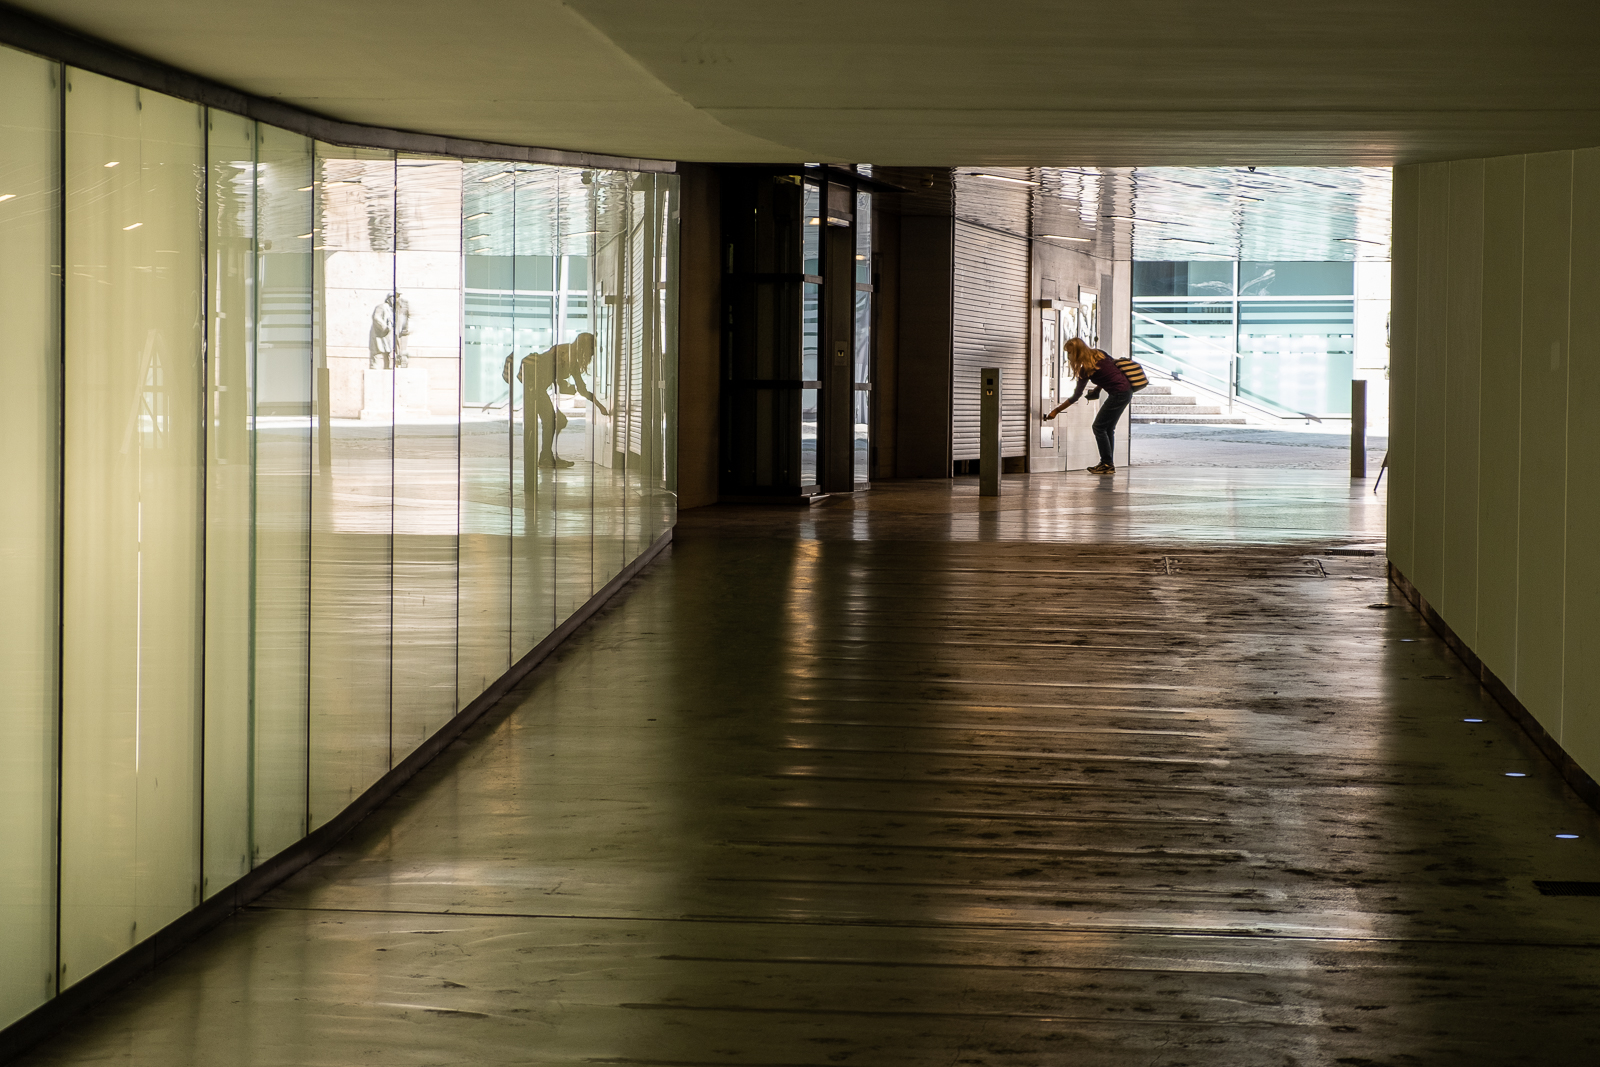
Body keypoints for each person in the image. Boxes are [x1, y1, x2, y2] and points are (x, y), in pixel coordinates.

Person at [502, 332, 610, 469]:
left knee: (555, 421)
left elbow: (574, 387)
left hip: (535, 388)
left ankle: (547, 455)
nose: (592, 354)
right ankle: (546, 456)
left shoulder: (565, 353)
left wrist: (599, 406)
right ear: (585, 347)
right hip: (534, 388)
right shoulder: (565, 355)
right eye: (591, 350)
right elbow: (557, 377)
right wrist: (599, 405)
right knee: (552, 421)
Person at [1043, 338, 1132, 475]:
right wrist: (1097, 389)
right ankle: (1108, 463)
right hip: (1125, 391)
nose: (1069, 356)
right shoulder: (1099, 354)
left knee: (1098, 427)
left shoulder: (1085, 369)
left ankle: (1107, 463)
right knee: (1107, 428)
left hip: (1118, 394)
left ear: (1077, 352)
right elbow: (1111, 373)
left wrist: (1056, 410)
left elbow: (1076, 396)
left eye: (1070, 353)